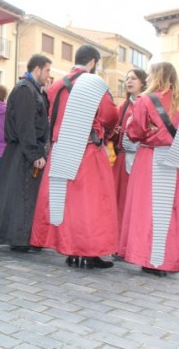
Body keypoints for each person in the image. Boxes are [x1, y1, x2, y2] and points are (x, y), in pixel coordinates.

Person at [30, 45, 119, 268]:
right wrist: (105, 133)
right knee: (91, 204)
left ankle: (70, 250)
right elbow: (110, 116)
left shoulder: (56, 85)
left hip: (60, 148)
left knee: (66, 203)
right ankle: (89, 252)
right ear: (93, 62)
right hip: (87, 148)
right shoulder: (94, 84)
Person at [118, 62, 179, 277]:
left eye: (149, 74)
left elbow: (135, 132)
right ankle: (171, 258)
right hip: (177, 161)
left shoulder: (145, 100)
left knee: (148, 210)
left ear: (156, 75)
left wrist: (131, 123)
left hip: (151, 158)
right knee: (172, 211)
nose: (146, 78)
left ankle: (152, 260)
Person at [0, 54, 50, 252]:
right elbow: (25, 125)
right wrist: (35, 154)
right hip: (24, 151)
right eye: (46, 71)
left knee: (21, 195)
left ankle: (21, 238)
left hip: (23, 150)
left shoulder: (30, 89)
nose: (48, 75)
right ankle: (20, 240)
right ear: (37, 69)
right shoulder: (25, 91)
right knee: (23, 195)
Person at [112, 68, 147, 230]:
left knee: (138, 201)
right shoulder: (123, 107)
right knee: (121, 200)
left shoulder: (148, 103)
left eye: (133, 78)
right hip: (123, 158)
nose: (129, 82)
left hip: (142, 158)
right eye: (127, 79)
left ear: (143, 82)